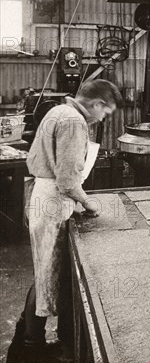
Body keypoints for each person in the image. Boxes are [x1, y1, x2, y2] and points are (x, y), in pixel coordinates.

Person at [7, 79, 123, 363]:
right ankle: (30, 349)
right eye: (106, 112)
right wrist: (87, 202)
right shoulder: (74, 122)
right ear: (97, 104)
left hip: (42, 194)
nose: (102, 118)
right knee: (46, 277)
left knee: (45, 274)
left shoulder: (57, 111)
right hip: (54, 200)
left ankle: (29, 343)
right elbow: (68, 179)